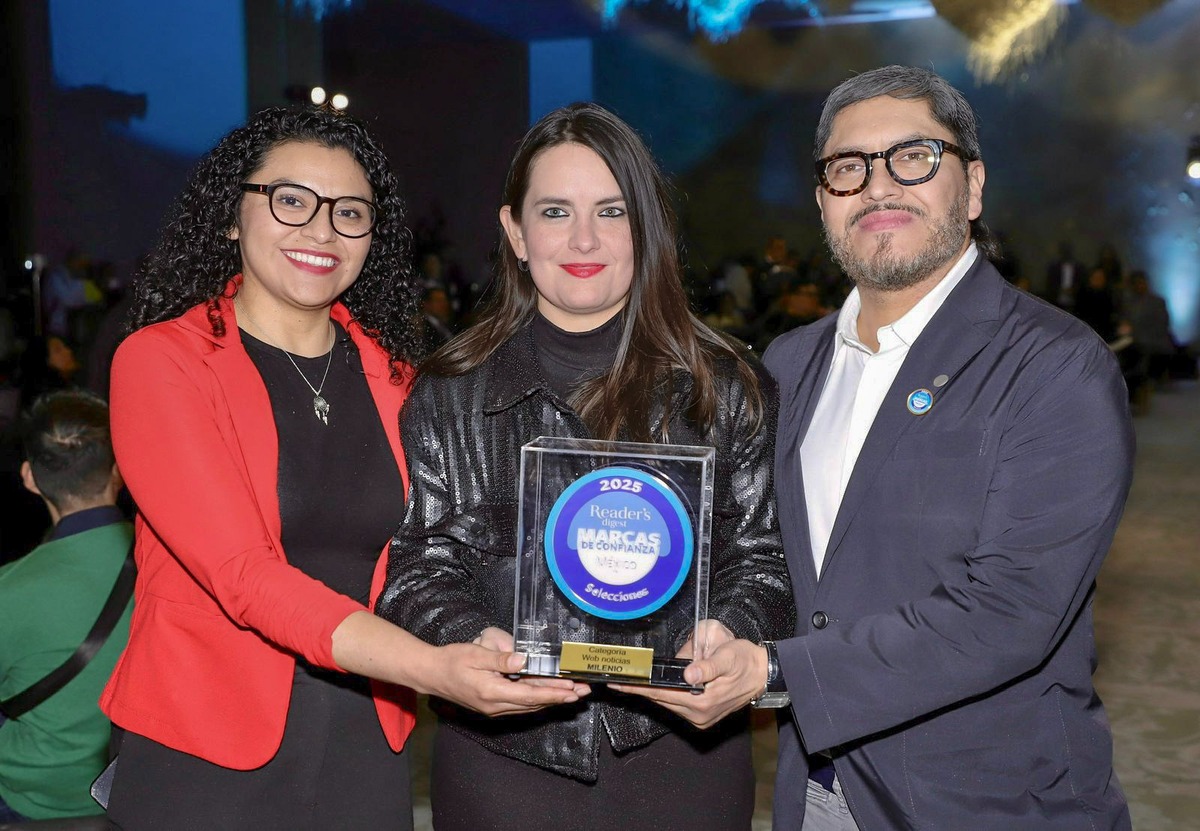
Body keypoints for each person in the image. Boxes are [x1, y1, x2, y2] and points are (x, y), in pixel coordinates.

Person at [657, 64, 1134, 829]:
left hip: (988, 802)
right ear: (823, 201)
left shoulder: (1056, 367)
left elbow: (1009, 611)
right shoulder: (788, 363)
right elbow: (769, 558)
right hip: (819, 786)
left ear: (972, 186)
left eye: (913, 156)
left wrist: (776, 669)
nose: (878, 186)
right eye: (848, 168)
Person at [99, 106, 583, 830]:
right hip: (204, 743)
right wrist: (432, 667)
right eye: (291, 201)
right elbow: (242, 573)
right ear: (231, 215)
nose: (321, 231)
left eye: (349, 212)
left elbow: (440, 550)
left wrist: (475, 629)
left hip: (365, 738)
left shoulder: (400, 377)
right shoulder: (163, 362)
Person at [379, 102, 794, 831]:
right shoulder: (449, 391)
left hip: (681, 758)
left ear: (646, 226)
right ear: (516, 232)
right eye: (555, 211)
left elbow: (765, 560)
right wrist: (470, 639)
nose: (583, 239)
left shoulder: (728, 385)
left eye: (611, 211)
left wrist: (729, 634)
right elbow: (417, 567)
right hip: (505, 762)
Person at [0, 390, 131, 822]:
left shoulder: (9, 590)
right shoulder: (171, 561)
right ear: (119, 470)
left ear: (29, 477)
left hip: (31, 798)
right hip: (137, 786)